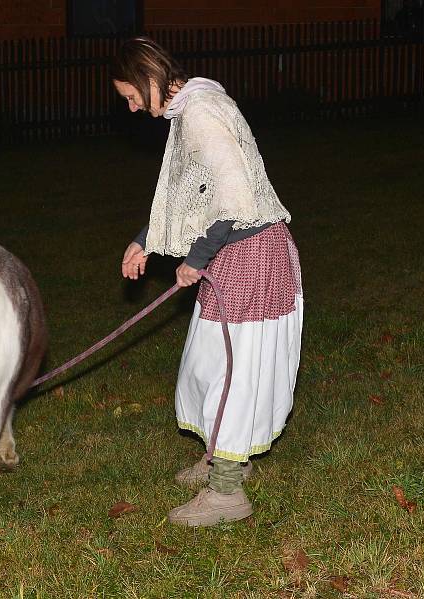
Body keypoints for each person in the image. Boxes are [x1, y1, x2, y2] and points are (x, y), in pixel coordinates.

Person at [112, 37, 303, 527]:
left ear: (150, 77)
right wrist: (145, 240)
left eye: (132, 97)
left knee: (234, 376)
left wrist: (195, 258)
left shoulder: (200, 112)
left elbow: (236, 198)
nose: (132, 108)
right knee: (206, 363)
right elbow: (192, 192)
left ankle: (227, 492)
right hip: (230, 255)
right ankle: (220, 455)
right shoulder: (190, 105)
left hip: (251, 255)